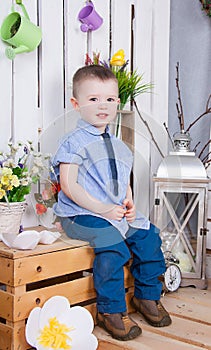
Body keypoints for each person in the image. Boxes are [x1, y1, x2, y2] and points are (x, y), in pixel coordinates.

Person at [51, 65, 171, 341]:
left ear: (117, 102)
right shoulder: (73, 142)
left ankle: (147, 296)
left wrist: (127, 198)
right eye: (93, 99)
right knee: (112, 245)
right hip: (81, 214)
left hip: (112, 211)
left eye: (108, 99)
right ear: (76, 104)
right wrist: (103, 209)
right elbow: (69, 187)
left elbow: (121, 177)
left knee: (148, 236)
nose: (102, 105)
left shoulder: (116, 141)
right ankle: (111, 311)